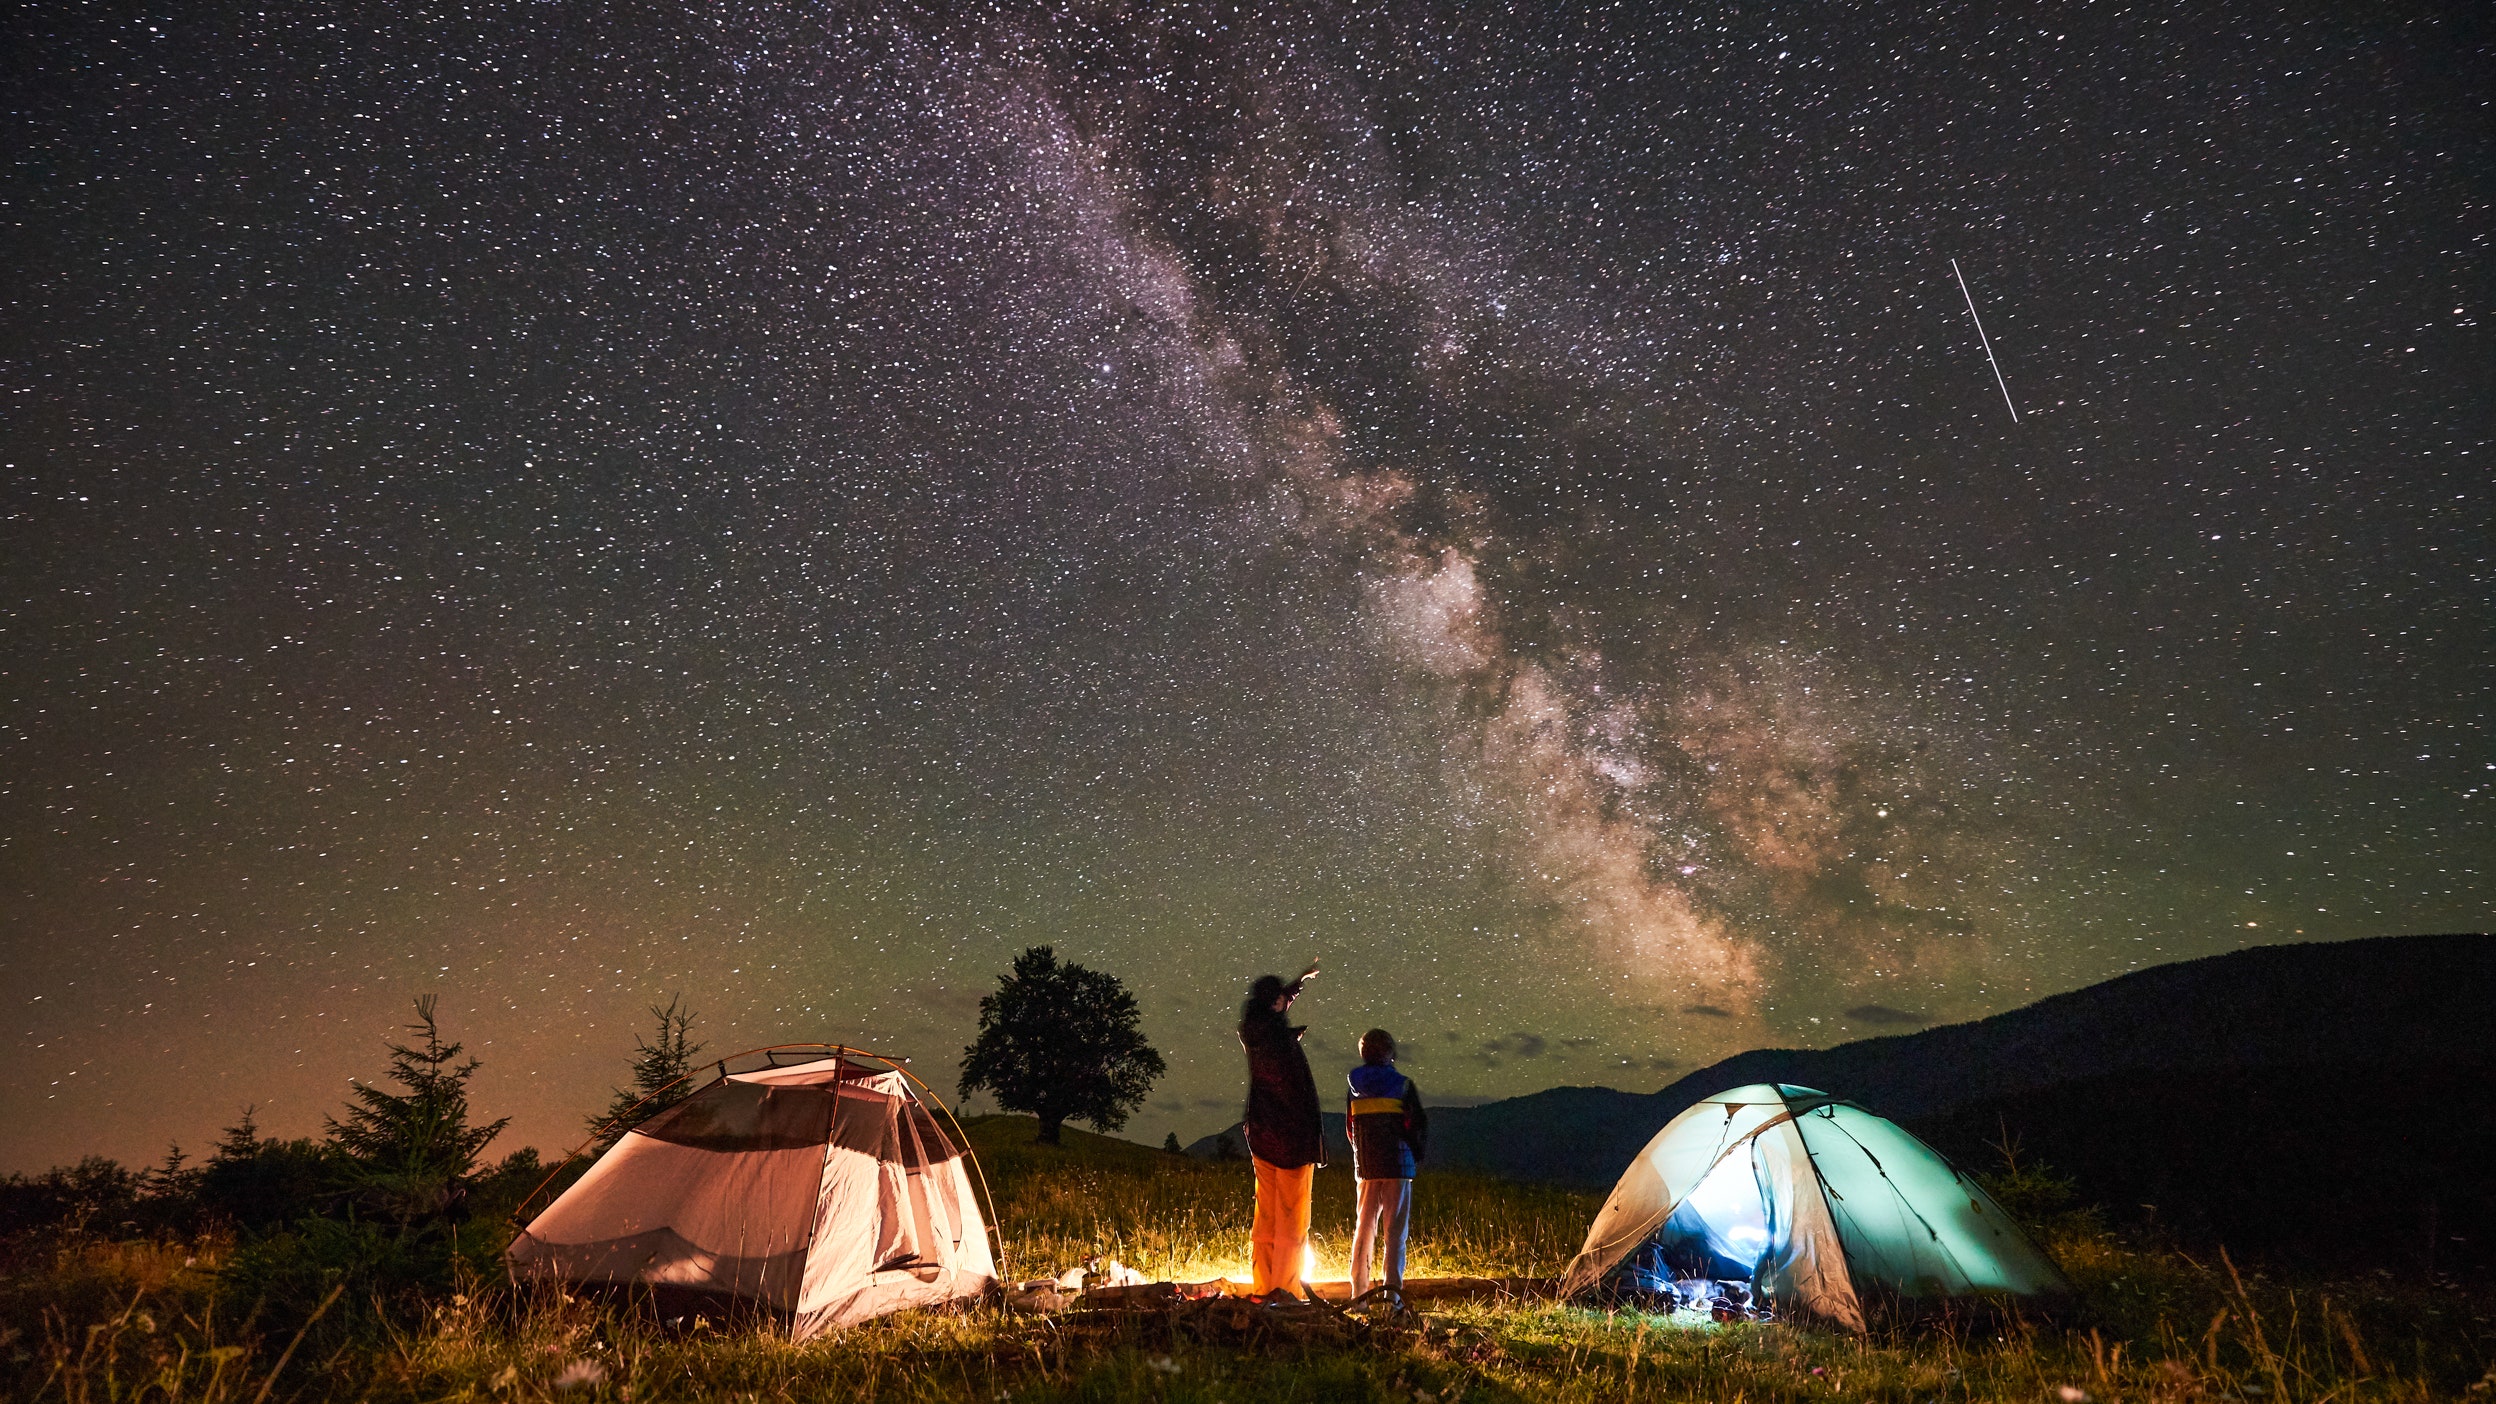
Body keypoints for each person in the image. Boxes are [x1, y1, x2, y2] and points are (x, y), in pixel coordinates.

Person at [1238, 964, 1322, 1298]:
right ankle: (1285, 1291)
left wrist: (1298, 984)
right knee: (1291, 1219)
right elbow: (1291, 1091)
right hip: (1290, 1141)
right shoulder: (1278, 1042)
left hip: (1260, 1135)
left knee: (1266, 1216)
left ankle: (1263, 1285)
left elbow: (1276, 1006)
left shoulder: (1253, 1032)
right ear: (1273, 1004)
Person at [1345, 1028, 1428, 1304]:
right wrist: (1416, 1155)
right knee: (1395, 1234)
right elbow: (1416, 1126)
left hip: (1367, 1167)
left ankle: (1359, 1298)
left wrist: (1360, 1152)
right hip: (1398, 1165)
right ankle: (1393, 1301)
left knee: (1364, 1229)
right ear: (1390, 1053)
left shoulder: (1353, 1086)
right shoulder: (1403, 1085)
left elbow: (1350, 1128)